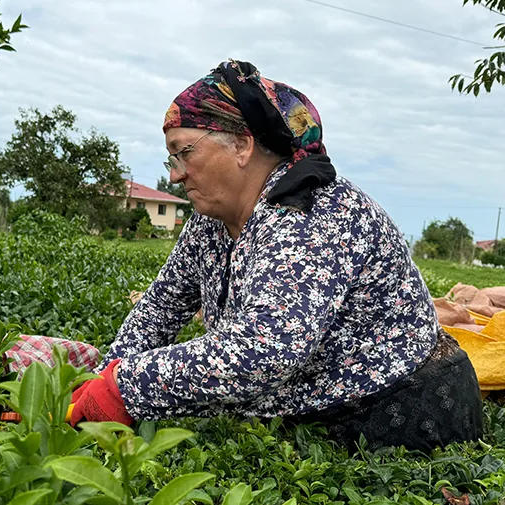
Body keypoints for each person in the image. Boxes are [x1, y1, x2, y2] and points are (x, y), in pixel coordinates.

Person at [69, 59, 483, 452]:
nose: (175, 174)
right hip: (308, 401)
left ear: (242, 147)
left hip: (394, 412)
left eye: (184, 152)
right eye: (171, 157)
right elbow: (161, 305)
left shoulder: (312, 211)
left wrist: (126, 385)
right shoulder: (212, 218)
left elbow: (266, 348)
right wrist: (100, 379)